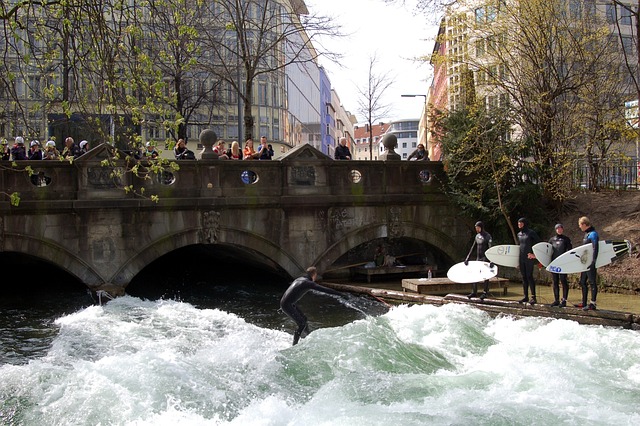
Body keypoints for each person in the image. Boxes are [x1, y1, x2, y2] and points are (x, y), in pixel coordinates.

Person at [280, 266, 345, 346]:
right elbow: (324, 289)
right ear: (314, 274)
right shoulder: (308, 283)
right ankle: (294, 345)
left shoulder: (300, 279)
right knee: (302, 323)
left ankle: (307, 337)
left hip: (287, 303)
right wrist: (340, 294)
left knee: (304, 319)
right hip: (287, 305)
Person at [465, 221, 492, 300]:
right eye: (476, 227)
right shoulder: (477, 236)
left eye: (477, 227)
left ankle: (485, 292)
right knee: (475, 274)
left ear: (481, 227)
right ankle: (474, 292)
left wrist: (491, 260)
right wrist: (467, 258)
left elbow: (490, 248)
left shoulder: (487, 236)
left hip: (485, 258)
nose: (476, 229)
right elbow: (473, 247)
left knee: (485, 276)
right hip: (478, 258)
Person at [517, 217, 540, 305]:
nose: (519, 225)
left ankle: (533, 297)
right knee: (524, 277)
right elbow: (519, 247)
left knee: (529, 276)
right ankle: (525, 296)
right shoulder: (519, 234)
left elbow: (539, 243)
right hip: (521, 258)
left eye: (521, 223)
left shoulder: (531, 233)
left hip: (529, 258)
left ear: (525, 224)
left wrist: (534, 255)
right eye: (518, 223)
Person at [578, 216, 599, 311]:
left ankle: (593, 303)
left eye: (580, 225)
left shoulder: (593, 234)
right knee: (582, 282)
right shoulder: (587, 234)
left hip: (590, 263)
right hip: (585, 263)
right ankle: (584, 302)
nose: (579, 227)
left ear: (584, 224)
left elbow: (595, 248)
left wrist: (593, 261)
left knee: (592, 282)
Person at [549, 223, 572, 307]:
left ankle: (564, 300)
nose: (559, 230)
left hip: (563, 263)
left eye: (560, 228)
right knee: (555, 281)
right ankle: (556, 300)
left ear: (562, 229)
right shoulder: (552, 240)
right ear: (555, 230)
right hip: (554, 263)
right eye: (557, 228)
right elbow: (548, 252)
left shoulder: (566, 239)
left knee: (563, 280)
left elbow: (570, 251)